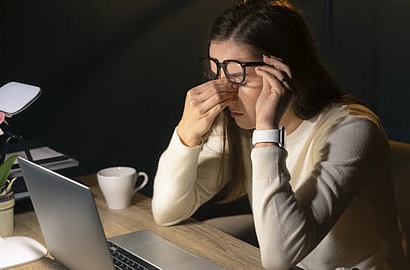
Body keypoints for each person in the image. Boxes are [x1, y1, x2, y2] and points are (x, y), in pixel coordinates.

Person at [151, 0, 409, 269]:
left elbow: (279, 257)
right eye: (216, 73)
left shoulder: (352, 130)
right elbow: (166, 212)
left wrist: (267, 130)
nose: (223, 93)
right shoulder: (239, 122)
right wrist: (186, 134)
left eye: (238, 77)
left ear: (283, 72)